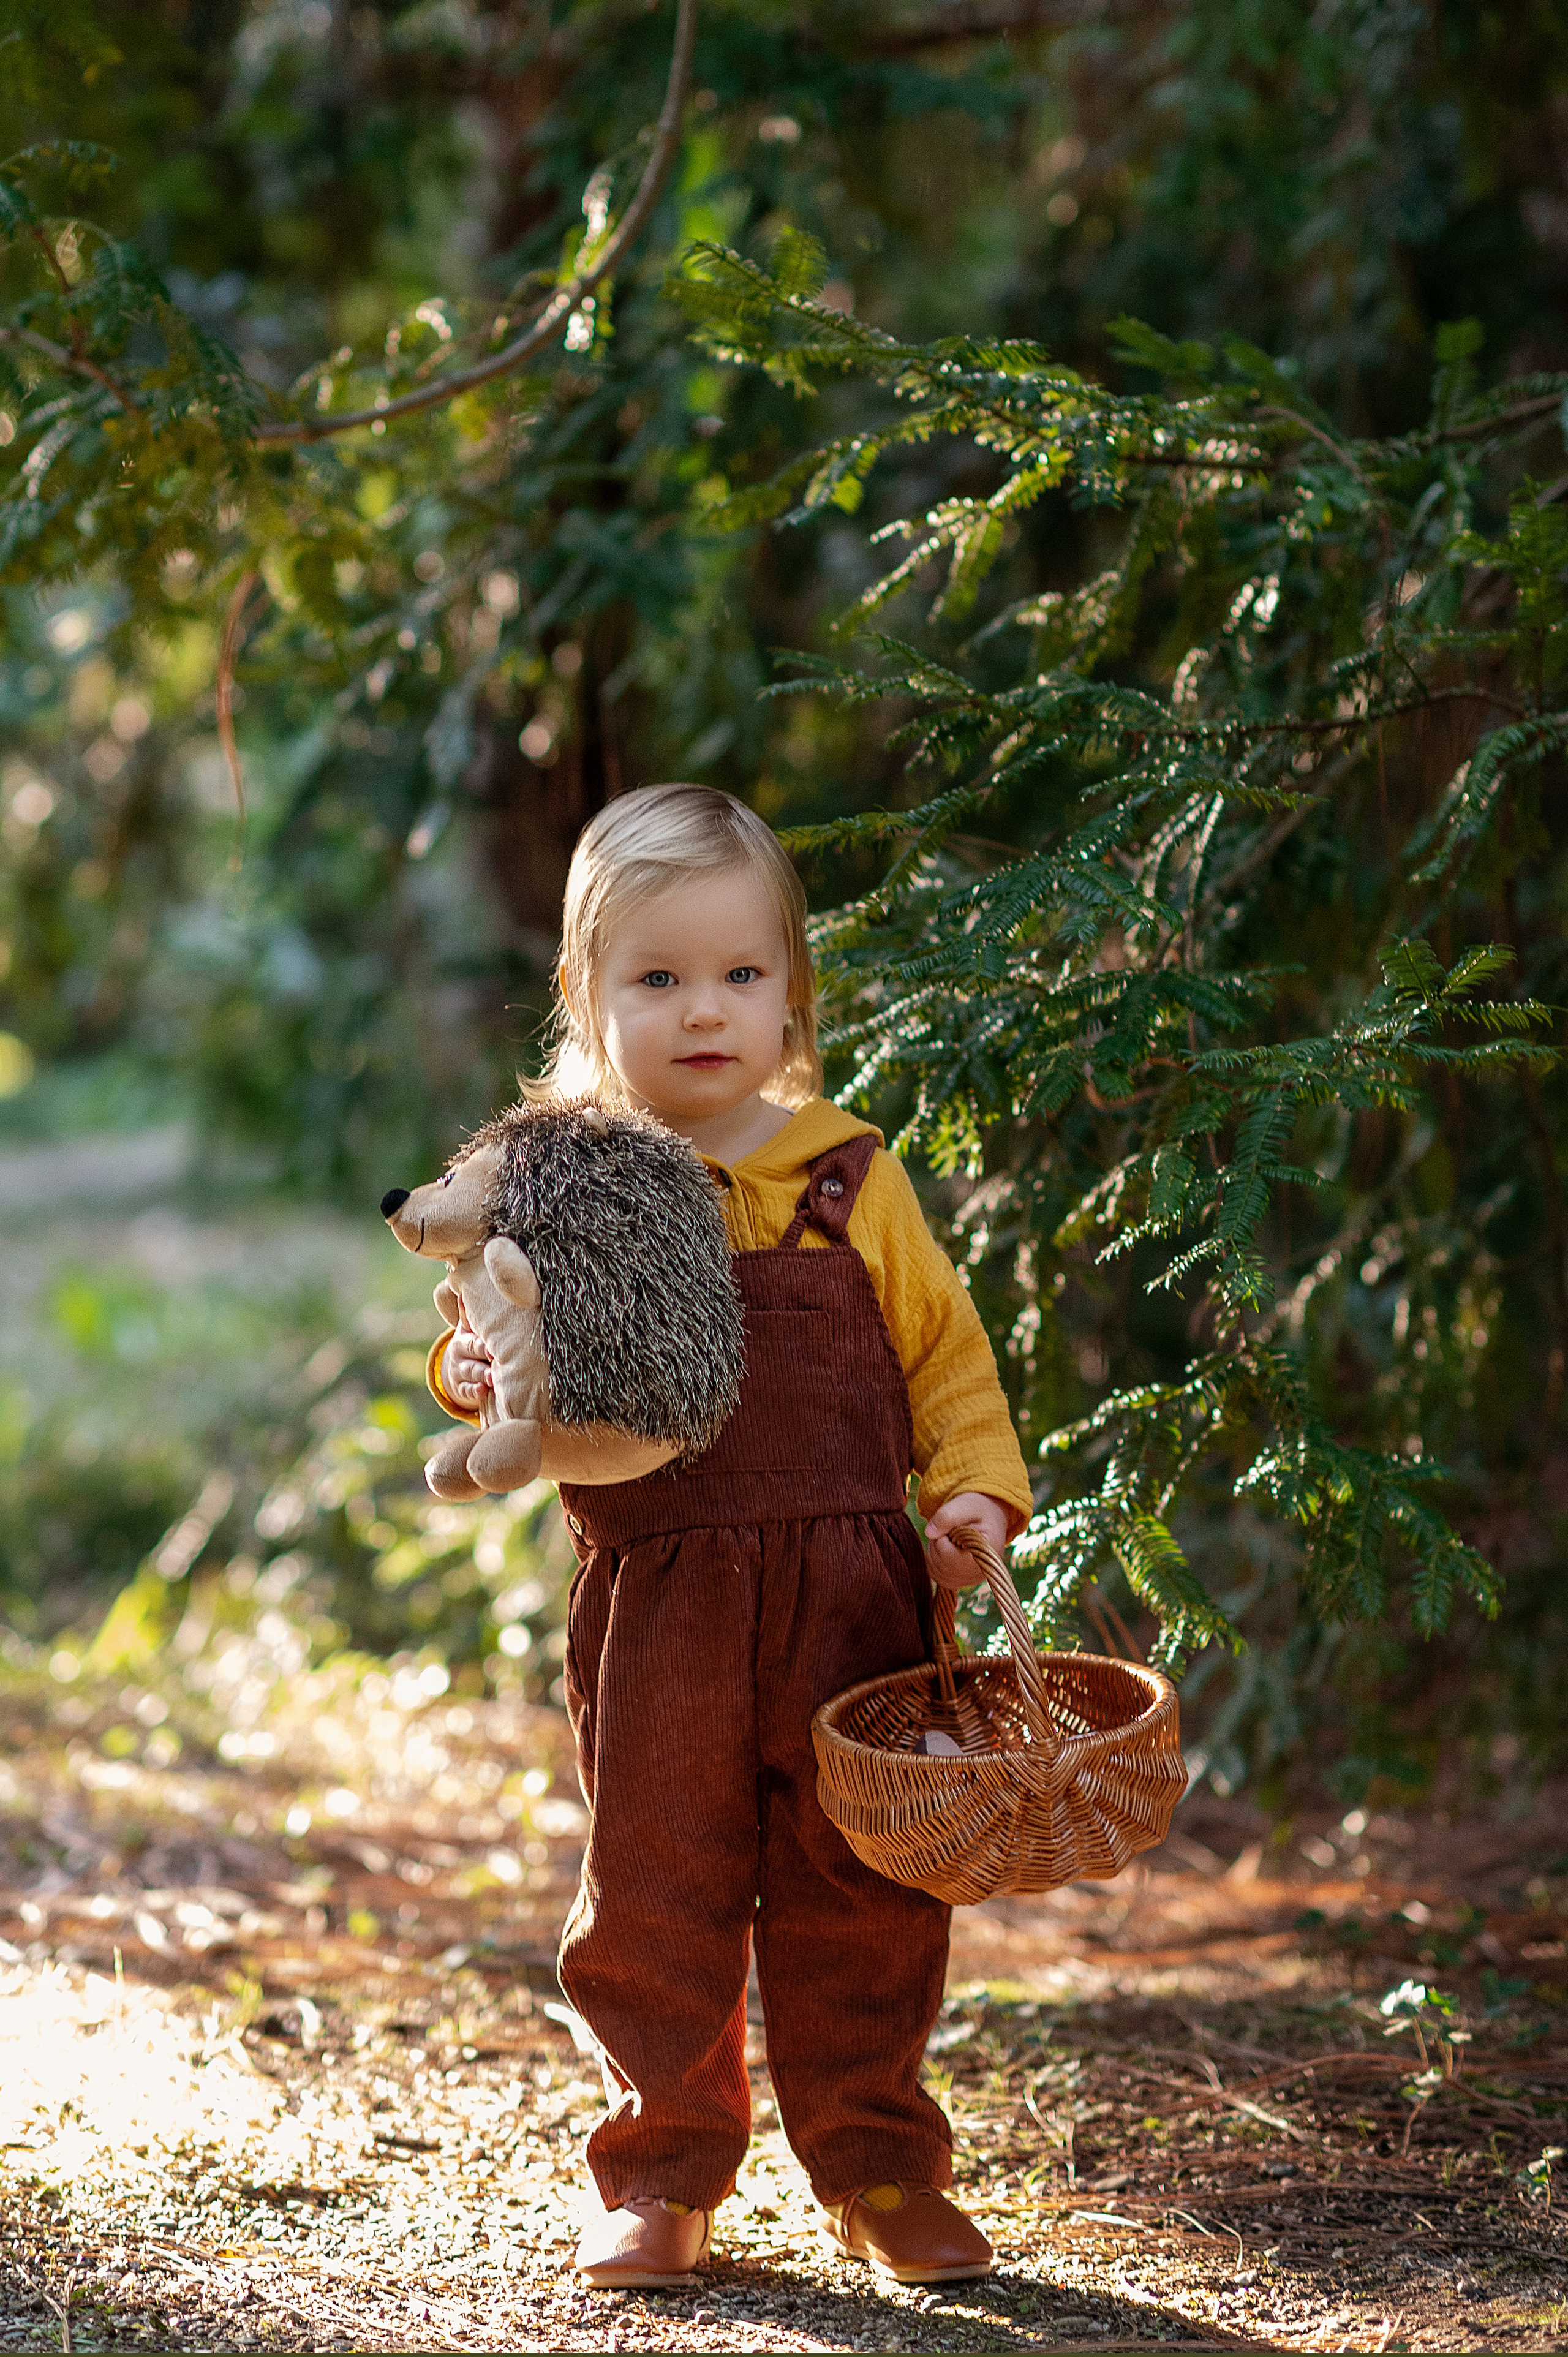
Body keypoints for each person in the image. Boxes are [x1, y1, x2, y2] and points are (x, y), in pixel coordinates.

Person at [428, 783, 1031, 2290]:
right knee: (656, 1883)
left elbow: (944, 1351)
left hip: (850, 1605)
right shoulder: (569, 1188)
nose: (706, 1010)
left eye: (741, 976)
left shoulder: (849, 1176)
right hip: (662, 1608)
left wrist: (970, 1491)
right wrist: (471, 1369)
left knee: (864, 1887)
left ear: (789, 994)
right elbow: (483, 1339)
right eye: (658, 978)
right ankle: (660, 2165)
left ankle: (881, 2161)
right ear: (585, 995)